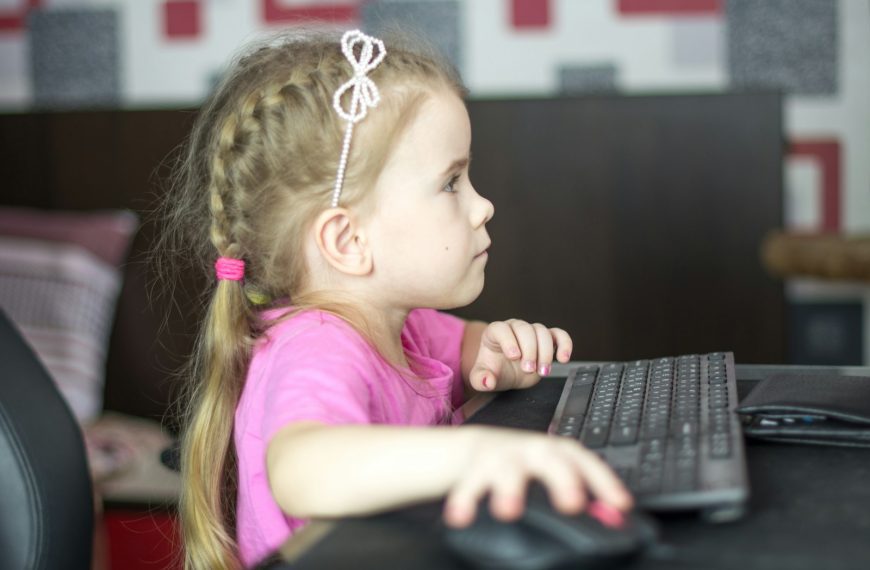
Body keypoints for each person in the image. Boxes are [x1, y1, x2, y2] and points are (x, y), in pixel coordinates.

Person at [158, 28, 632, 569]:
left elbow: (469, 352)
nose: (483, 207)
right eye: (452, 183)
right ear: (348, 241)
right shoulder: (316, 348)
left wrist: (503, 352)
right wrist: (478, 452)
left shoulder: (402, 326)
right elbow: (304, 468)